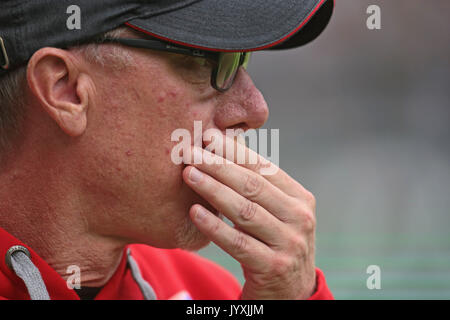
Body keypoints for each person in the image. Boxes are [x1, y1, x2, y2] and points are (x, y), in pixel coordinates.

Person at [0, 0, 335, 300]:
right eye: (207, 61)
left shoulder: (216, 293)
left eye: (239, 59)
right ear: (67, 90)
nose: (255, 109)